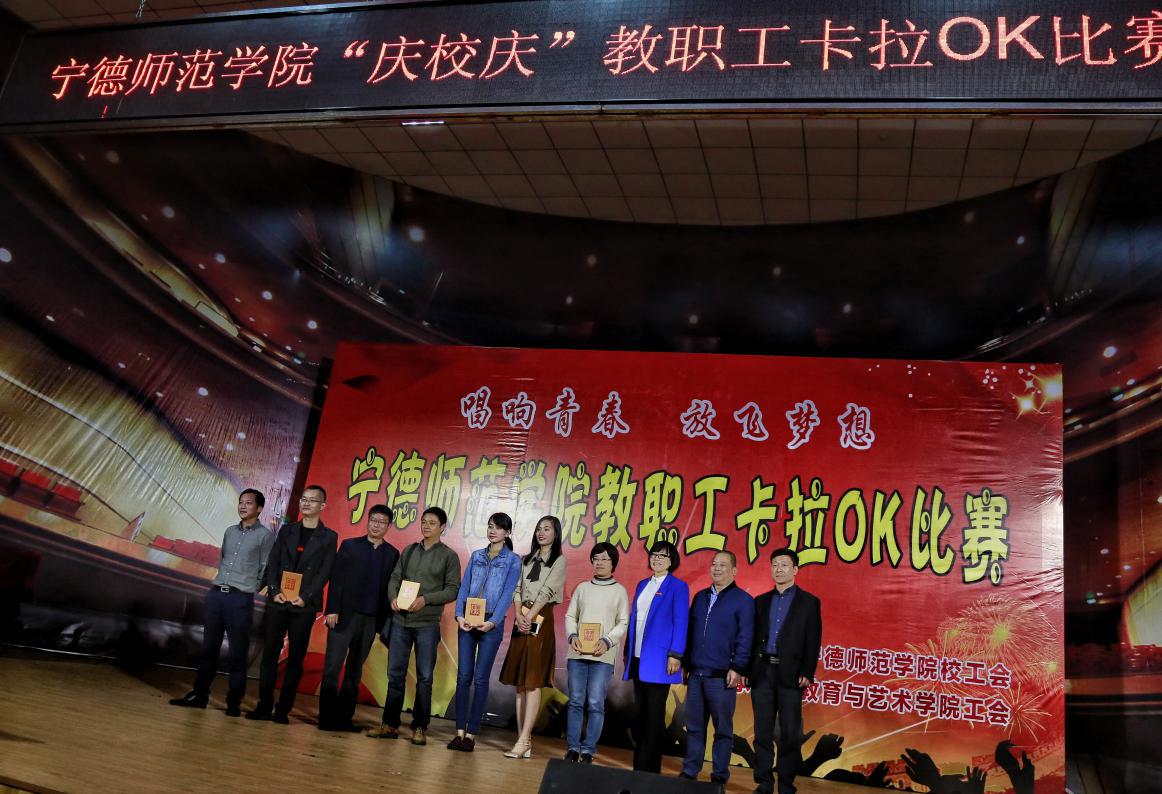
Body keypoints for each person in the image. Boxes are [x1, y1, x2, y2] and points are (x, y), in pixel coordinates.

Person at [170, 489, 273, 716]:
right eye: (241, 502)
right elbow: (224, 559)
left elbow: (266, 568)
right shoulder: (229, 531)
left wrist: (249, 586)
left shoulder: (265, 536)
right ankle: (199, 695)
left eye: (248, 503)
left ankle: (234, 702)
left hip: (240, 599)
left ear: (259, 508)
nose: (243, 506)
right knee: (208, 649)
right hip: (216, 595)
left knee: (238, 652)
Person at [366, 506, 461, 746]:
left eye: (432, 523)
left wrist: (426, 599)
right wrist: (393, 598)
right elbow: (395, 578)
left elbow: (453, 590)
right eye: (424, 521)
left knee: (425, 677)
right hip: (400, 622)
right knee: (395, 675)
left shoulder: (449, 556)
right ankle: (389, 724)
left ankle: (419, 726)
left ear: (442, 527)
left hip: (427, 624)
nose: (426, 526)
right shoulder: (409, 551)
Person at [247, 485, 337, 724]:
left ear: (322, 505)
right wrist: (274, 590)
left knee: (296, 659)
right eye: (304, 499)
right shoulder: (287, 530)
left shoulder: (329, 537)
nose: (306, 503)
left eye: (312, 500)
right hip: (278, 601)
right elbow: (274, 561)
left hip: (303, 605)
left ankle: (283, 710)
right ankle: (263, 705)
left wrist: (306, 596)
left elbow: (325, 571)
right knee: (269, 654)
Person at [318, 504, 400, 731]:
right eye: (373, 520)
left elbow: (390, 588)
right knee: (332, 667)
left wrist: (385, 622)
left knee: (355, 671)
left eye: (381, 522)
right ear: (368, 521)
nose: (376, 525)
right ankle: (326, 718)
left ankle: (345, 718)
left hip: (370, 620)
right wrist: (331, 609)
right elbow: (336, 580)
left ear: (388, 526)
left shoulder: (392, 554)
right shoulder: (350, 546)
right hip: (343, 617)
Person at [750, 548, 823, 794]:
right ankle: (764, 782)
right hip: (762, 672)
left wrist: (807, 671)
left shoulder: (809, 602)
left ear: (795, 570)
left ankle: (786, 785)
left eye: (784, 565)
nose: (778, 569)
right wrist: (748, 669)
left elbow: (813, 639)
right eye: (775, 565)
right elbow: (753, 638)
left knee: (790, 734)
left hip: (791, 675)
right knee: (762, 731)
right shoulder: (760, 601)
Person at [448, 512, 522, 752]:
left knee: (480, 679)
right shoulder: (477, 556)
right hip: (468, 621)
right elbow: (464, 587)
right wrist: (459, 615)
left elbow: (508, 594)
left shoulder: (513, 560)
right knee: (463, 677)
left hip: (491, 624)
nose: (493, 531)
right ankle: (459, 732)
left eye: (498, 528)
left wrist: (493, 622)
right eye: (490, 526)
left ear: (507, 532)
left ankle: (471, 734)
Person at [680, 550, 755, 785]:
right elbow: (690, 632)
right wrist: (686, 663)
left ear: (734, 570)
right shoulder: (700, 597)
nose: (717, 568)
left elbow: (746, 638)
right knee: (694, 727)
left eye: (723, 565)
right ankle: (690, 771)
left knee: (722, 730)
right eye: (714, 564)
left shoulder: (743, 600)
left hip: (722, 677)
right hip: (696, 674)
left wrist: (738, 667)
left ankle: (719, 776)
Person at [498, 515, 568, 759]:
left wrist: (529, 615)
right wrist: (519, 613)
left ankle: (525, 738)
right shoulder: (525, 560)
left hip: (541, 617)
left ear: (555, 534)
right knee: (520, 682)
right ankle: (522, 739)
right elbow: (516, 588)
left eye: (547, 529)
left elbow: (547, 591)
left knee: (533, 681)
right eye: (539, 529)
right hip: (522, 617)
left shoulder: (559, 560)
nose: (541, 533)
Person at [624, 540, 690, 773]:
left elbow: (681, 623)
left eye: (663, 556)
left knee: (654, 716)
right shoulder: (643, 584)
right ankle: (639, 765)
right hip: (637, 658)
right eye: (654, 554)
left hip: (660, 660)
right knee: (640, 714)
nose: (657, 559)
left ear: (672, 561)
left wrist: (676, 654)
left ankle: (651, 769)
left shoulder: (678, 587)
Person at [563, 542, 629, 764]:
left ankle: (589, 750)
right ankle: (573, 747)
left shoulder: (619, 591)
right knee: (575, 701)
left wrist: (607, 641)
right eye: (596, 558)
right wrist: (573, 636)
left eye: (604, 559)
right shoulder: (583, 588)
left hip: (603, 656)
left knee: (595, 703)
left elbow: (623, 622)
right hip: (578, 653)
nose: (599, 562)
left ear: (613, 563)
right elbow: (570, 616)